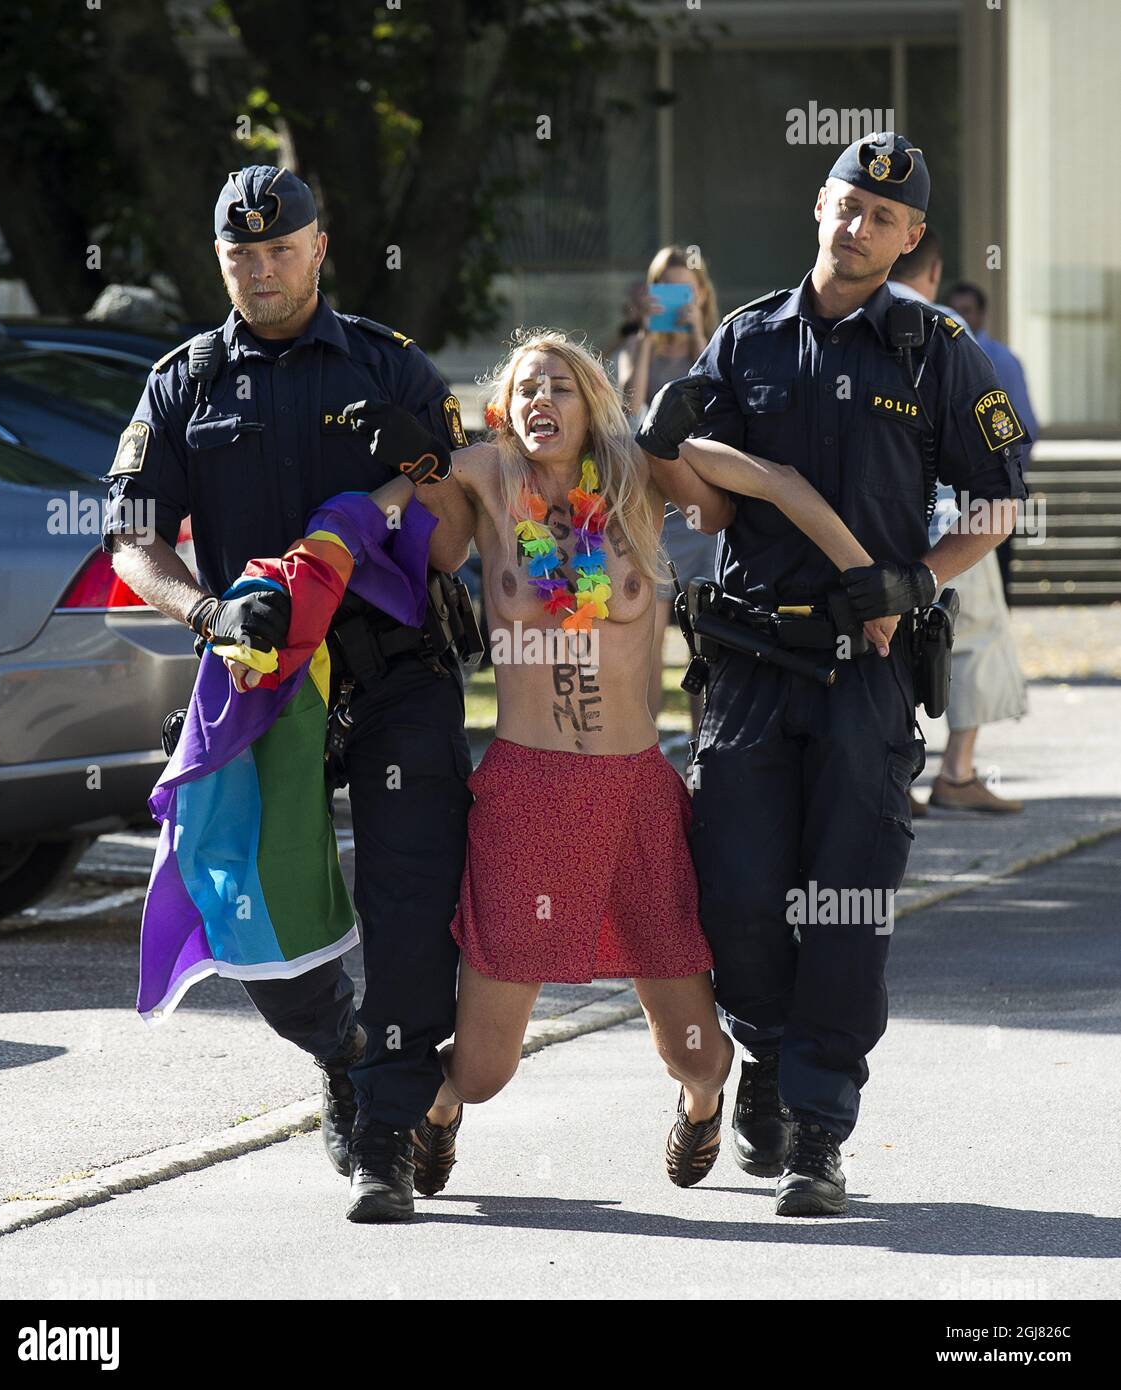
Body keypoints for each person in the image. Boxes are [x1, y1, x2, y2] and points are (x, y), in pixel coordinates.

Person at [356, 329, 899, 1199]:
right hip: (526, 795)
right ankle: (442, 1111)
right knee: (486, 1068)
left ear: (594, 404)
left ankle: (700, 1106)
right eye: (527, 388)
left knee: (694, 1050)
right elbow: (388, 515)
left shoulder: (640, 477)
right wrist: (396, 480)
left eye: (561, 388)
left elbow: (766, 486)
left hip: (633, 795)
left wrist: (869, 580)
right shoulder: (491, 476)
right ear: (503, 407)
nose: (542, 401)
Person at [638, 134, 1030, 1216]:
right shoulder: (744, 339)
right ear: (819, 204)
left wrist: (912, 581)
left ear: (910, 239)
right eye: (847, 204)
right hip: (751, 665)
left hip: (864, 671)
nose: (858, 226)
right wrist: (668, 449)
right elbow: (705, 507)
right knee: (741, 900)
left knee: (848, 905)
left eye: (882, 217)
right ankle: (763, 1050)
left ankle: (817, 1128)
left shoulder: (937, 349)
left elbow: (994, 503)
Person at [101, 165, 479, 1225]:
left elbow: (461, 502)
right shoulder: (184, 380)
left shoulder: (389, 366)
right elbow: (131, 537)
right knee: (246, 905)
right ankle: (344, 1047)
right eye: (240, 255)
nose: (261, 270)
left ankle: (385, 1137)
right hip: (256, 678)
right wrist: (207, 614)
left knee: (407, 904)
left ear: (321, 248)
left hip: (394, 670)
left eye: (280, 250)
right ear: (218, 260)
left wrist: (401, 492)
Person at [890, 236, 1028, 814]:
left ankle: (891, 776)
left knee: (882, 636)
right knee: (973, 637)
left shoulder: (839, 320)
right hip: (951, 511)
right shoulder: (943, 327)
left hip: (869, 514)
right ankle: (958, 771)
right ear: (935, 271)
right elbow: (989, 439)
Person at [617, 246, 721, 730]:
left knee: (705, 636)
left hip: (702, 511)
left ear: (701, 294)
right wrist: (642, 338)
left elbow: (719, 406)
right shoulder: (635, 347)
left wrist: (699, 330)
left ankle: (705, 752)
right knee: (649, 638)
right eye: (667, 291)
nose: (677, 303)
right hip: (653, 513)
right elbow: (628, 414)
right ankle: (646, 750)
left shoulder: (717, 347)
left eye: (687, 290)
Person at [946, 280, 1039, 604]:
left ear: (982, 314)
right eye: (956, 310)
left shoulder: (1001, 360)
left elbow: (1024, 426)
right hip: (951, 496)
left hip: (991, 494)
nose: (960, 316)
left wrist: (1007, 480)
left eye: (967, 311)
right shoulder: (939, 351)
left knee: (995, 585)